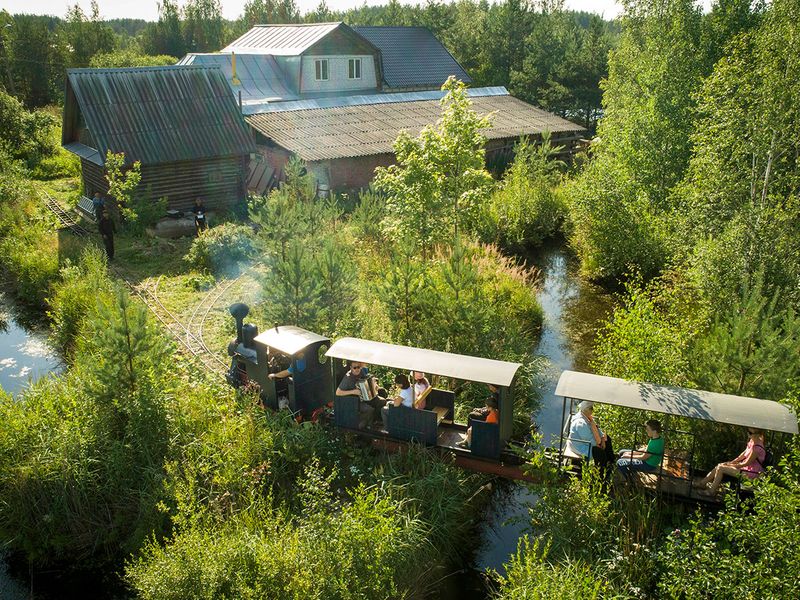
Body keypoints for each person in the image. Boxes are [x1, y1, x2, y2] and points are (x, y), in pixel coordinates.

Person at [697, 428, 766, 496]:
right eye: (748, 431)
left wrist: (730, 465)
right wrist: (731, 462)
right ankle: (702, 483)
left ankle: (711, 492)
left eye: (750, 433)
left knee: (721, 468)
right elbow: (743, 455)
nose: (748, 433)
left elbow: (746, 463)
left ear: (757, 434)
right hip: (745, 469)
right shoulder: (752, 441)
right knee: (720, 465)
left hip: (751, 473)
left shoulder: (757, 448)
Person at [565, 401, 615, 477]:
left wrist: (602, 438)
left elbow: (597, 428)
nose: (592, 410)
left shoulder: (587, 417)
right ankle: (602, 474)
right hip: (579, 445)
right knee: (599, 452)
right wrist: (599, 445)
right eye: (591, 408)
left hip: (587, 442)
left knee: (607, 438)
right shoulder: (580, 423)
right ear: (586, 410)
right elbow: (589, 439)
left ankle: (611, 461)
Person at [336, 361, 385, 428]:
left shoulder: (362, 371)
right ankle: (366, 425)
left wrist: (375, 386)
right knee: (369, 409)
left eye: (358, 367)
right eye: (354, 368)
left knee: (382, 401)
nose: (357, 369)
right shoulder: (348, 378)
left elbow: (368, 380)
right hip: (356, 401)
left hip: (366, 397)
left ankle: (375, 420)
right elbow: (338, 392)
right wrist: (353, 391)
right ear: (351, 368)